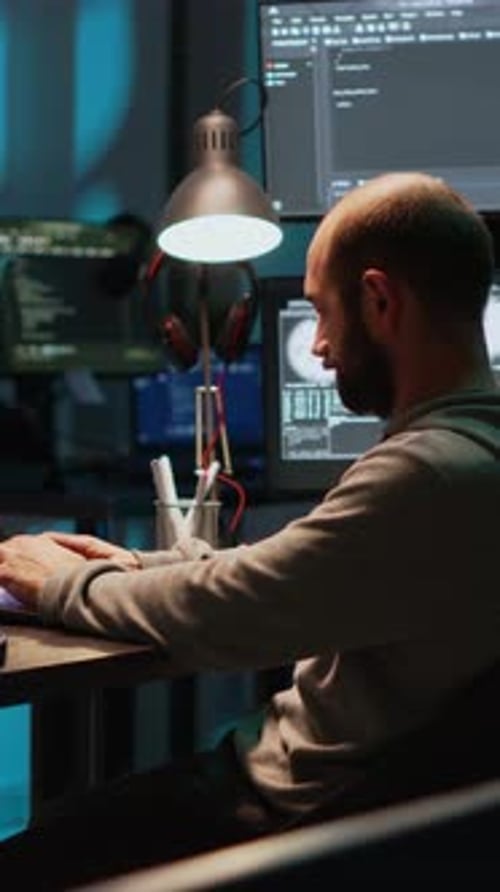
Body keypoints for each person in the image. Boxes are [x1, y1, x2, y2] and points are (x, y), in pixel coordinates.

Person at [1, 171, 500, 887]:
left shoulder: (431, 474)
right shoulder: (471, 453)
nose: (320, 345)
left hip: (289, 812)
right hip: (348, 799)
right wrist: (137, 570)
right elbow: (296, 575)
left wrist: (60, 586)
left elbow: (231, 611)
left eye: (323, 312)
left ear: (380, 299)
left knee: (31, 855)